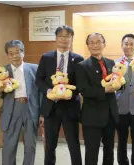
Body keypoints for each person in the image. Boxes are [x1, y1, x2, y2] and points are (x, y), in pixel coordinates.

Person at [35, 25, 83, 165]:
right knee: (50, 145)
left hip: (70, 107)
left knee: (73, 144)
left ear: (71, 39)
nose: (64, 39)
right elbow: (39, 80)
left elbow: (80, 83)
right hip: (51, 107)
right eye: (61, 36)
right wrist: (48, 91)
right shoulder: (46, 57)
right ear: (56, 38)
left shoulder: (78, 59)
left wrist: (72, 93)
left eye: (67, 36)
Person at [75, 33, 119, 165]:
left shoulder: (111, 63)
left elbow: (118, 82)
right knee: (92, 152)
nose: (95, 45)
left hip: (110, 116)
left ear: (104, 44)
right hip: (92, 117)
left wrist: (119, 86)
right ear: (88, 46)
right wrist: (105, 90)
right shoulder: (82, 66)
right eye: (92, 42)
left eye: (98, 42)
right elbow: (84, 90)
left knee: (109, 150)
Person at [0, 40, 41, 165]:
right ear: (7, 55)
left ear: (23, 52)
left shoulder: (34, 68)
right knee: (9, 146)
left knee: (30, 145)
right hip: (12, 109)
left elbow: (40, 93)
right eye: (11, 53)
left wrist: (41, 113)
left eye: (18, 52)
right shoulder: (2, 71)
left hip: (30, 108)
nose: (15, 56)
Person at [115, 34, 134, 165]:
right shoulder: (115, 64)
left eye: (131, 44)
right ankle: (122, 162)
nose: (128, 46)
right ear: (122, 46)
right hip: (121, 108)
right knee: (121, 140)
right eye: (126, 44)